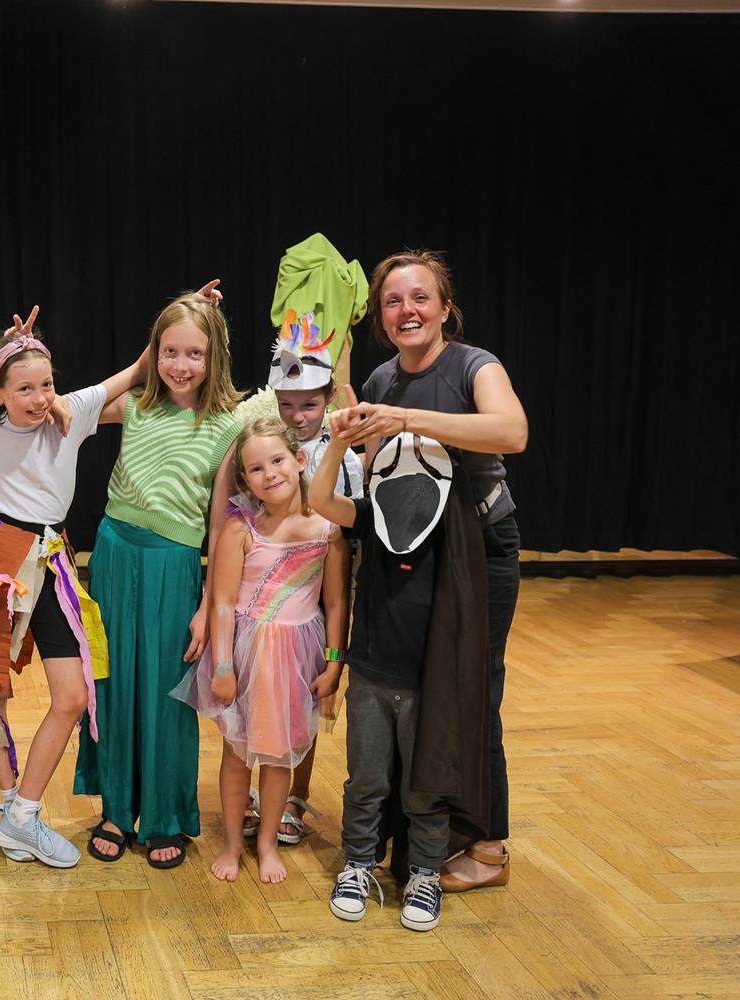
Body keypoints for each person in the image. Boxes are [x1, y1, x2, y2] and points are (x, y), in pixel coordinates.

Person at [335, 250, 527, 893]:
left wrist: (406, 419)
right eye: (393, 301)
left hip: (479, 553)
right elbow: (376, 478)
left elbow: (512, 431)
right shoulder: (381, 378)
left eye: (420, 297)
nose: (406, 310)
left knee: (472, 693)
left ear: (446, 308)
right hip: (411, 558)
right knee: (417, 697)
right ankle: (419, 840)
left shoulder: (475, 365)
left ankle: (490, 849)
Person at [0, 314, 147, 868]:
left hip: (52, 558)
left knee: (72, 695)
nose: (40, 398)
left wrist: (196, 311)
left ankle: (23, 815)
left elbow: (138, 369)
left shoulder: (73, 412)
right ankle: (9, 805)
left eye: (46, 384)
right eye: (23, 389)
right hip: (0, 559)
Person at [73, 285, 252, 869]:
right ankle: (116, 808)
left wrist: (206, 605)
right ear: (153, 352)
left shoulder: (227, 424)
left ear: (214, 356)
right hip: (113, 554)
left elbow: (221, 523)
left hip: (174, 566)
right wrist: (138, 367)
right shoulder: (135, 405)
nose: (181, 365)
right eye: (169, 351)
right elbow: (72, 410)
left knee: (167, 694)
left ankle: (166, 816)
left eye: (194, 353)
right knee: (112, 684)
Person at [171, 417, 349, 884]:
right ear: (245, 480)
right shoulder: (240, 528)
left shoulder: (328, 529)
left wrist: (334, 663)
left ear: (300, 460)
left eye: (277, 460)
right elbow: (223, 602)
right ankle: (233, 844)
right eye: (255, 468)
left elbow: (335, 602)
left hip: (296, 659)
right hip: (245, 655)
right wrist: (223, 665)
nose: (269, 474)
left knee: (277, 758)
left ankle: (267, 843)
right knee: (237, 755)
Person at [241, 236, 368, 848]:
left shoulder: (345, 455)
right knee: (260, 692)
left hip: (319, 588)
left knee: (307, 694)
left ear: (326, 400)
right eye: (287, 404)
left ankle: (294, 795)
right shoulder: (266, 450)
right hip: (268, 590)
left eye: (309, 404)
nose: (298, 415)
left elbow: (351, 532)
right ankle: (256, 792)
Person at [309, 421, 452, 932]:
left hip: (426, 683)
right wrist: (340, 444)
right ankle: (358, 864)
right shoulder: (370, 514)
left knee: (424, 785)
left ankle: (426, 873)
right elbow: (320, 499)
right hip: (370, 676)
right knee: (366, 781)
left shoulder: (449, 524)